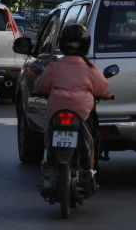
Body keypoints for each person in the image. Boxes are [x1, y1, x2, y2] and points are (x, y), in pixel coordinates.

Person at [36, 24, 113, 169]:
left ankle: (50, 163)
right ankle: (90, 171)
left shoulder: (54, 66)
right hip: (82, 113)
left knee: (49, 133)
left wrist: (41, 91)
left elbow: (42, 86)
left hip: (56, 112)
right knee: (90, 139)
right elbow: (101, 89)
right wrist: (108, 95)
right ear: (86, 45)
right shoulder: (89, 68)